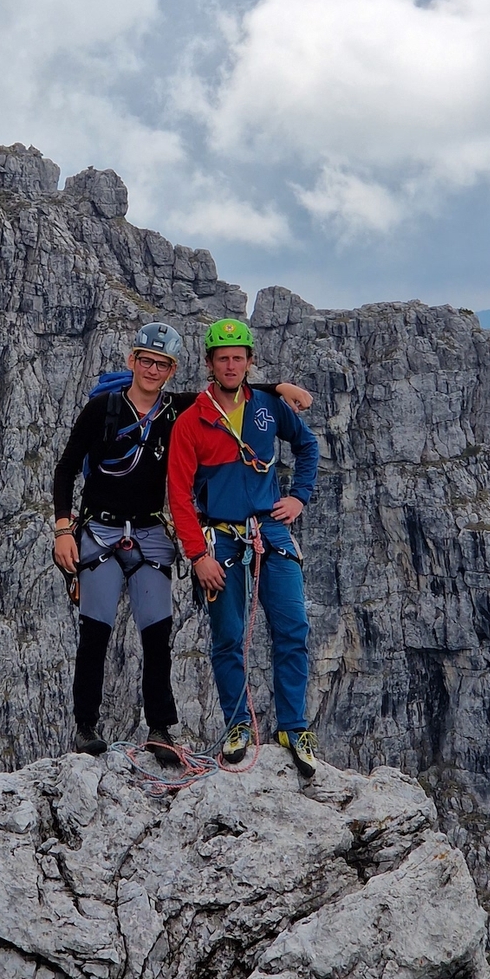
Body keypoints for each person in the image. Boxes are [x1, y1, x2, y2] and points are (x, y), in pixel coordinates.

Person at [52, 322, 310, 764]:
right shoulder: (102, 410)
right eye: (146, 361)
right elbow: (66, 468)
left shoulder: (176, 410)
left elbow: (230, 390)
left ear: (172, 370)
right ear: (132, 361)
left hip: (153, 532)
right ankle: (85, 728)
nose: (152, 370)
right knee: (96, 631)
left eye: (162, 364)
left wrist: (279, 387)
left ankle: (160, 729)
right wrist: (62, 529)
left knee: (158, 634)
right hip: (101, 530)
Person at [166, 316, 321, 778]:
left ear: (250, 362)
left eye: (238, 357)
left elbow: (307, 446)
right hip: (221, 538)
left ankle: (294, 727)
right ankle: (238, 725)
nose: (231, 365)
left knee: (293, 627)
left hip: (271, 531)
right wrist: (198, 556)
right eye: (223, 358)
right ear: (210, 364)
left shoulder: (269, 407)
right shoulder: (192, 421)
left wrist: (298, 496)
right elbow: (179, 495)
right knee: (228, 636)